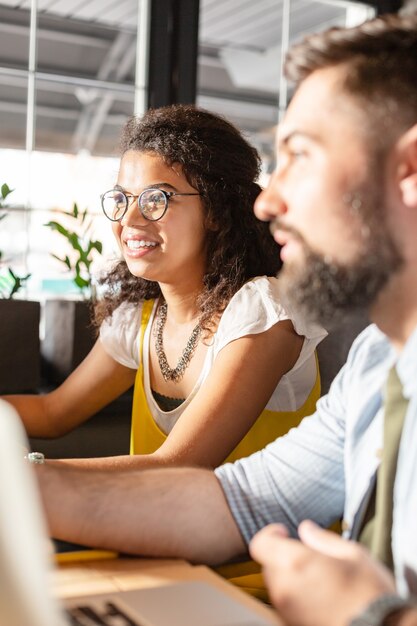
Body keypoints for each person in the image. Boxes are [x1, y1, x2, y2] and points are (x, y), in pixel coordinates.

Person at [30, 12, 417, 626]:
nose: (266, 200)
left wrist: (373, 616)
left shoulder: (263, 309)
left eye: (300, 154)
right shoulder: (377, 365)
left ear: (409, 170)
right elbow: (236, 501)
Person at [4, 105, 325, 469]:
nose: (129, 219)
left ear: (217, 211)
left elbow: (175, 467)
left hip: (267, 528)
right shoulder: (138, 321)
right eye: (122, 199)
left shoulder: (262, 311)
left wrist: (24, 478)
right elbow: (53, 413)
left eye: (156, 199)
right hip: (156, 525)